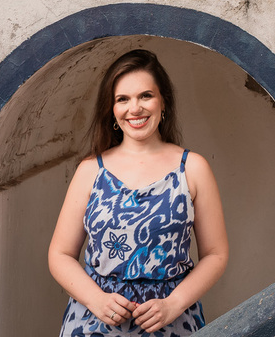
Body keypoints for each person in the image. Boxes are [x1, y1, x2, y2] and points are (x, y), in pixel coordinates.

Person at [49, 49, 228, 335]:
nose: (135, 108)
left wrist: (173, 304)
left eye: (145, 96)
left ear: (163, 101)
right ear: (111, 108)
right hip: (95, 322)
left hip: (172, 322)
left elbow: (216, 254)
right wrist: (97, 300)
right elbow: (60, 254)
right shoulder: (90, 170)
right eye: (123, 99)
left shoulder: (192, 168)